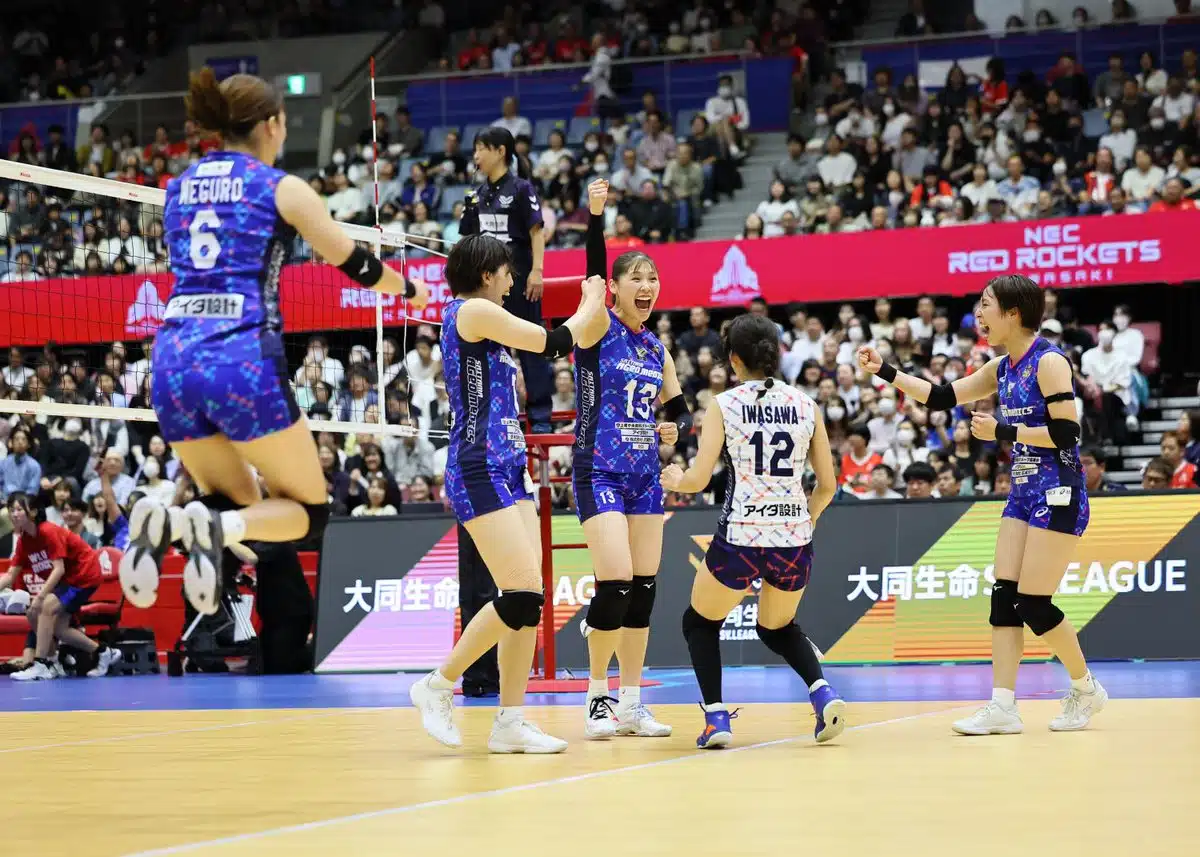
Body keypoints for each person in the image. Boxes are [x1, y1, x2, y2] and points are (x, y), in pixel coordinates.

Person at [118, 68, 428, 614]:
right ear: (271, 124)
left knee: (238, 504)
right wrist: (409, 290)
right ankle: (210, 527)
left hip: (170, 363)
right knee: (309, 514)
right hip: (239, 361)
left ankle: (171, 519)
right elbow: (355, 264)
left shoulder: (178, 188)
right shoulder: (280, 187)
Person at [858, 274, 1107, 735]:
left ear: (1013, 313)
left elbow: (1067, 433)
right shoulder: (1001, 367)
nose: (978, 313)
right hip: (1023, 491)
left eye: (986, 304)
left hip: (1059, 490)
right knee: (1004, 598)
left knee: (1034, 603)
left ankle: (1086, 687)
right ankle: (1003, 707)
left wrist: (1002, 432)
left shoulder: (1049, 362)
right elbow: (940, 397)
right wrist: (886, 371)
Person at [408, 234, 608, 754]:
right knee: (519, 592)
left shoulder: (487, 323)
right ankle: (438, 684)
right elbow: (555, 342)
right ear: (486, 273)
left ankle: (510, 721)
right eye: (506, 271)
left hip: (508, 465)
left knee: (529, 597)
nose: (512, 280)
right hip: (478, 466)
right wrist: (592, 298)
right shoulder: (472, 311)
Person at [661, 313, 846, 749]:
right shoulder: (807, 405)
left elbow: (699, 478)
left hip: (742, 536)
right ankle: (823, 694)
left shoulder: (724, 404)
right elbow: (828, 485)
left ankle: (716, 720)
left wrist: (675, 480)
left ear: (733, 359)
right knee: (777, 628)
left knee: (699, 623)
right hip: (792, 537)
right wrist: (806, 520)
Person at [573, 179, 690, 740]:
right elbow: (593, 274)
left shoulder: (656, 348)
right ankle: (597, 696)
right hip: (598, 468)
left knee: (643, 589)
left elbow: (681, 411)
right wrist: (596, 217)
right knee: (616, 582)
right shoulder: (598, 327)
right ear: (615, 289)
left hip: (645, 475)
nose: (646, 286)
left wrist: (674, 428)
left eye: (653, 278)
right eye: (635, 278)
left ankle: (632, 701)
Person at [459, 127, 552, 431]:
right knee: (491, 351)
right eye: (475, 149)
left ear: (500, 151)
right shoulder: (477, 195)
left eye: (481, 148)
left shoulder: (522, 189)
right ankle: (497, 416)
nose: (476, 155)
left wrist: (537, 272)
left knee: (531, 344)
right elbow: (468, 240)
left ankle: (541, 418)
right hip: (487, 288)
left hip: (521, 281)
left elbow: (537, 232)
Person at [0, 494, 124, 681]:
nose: (14, 514)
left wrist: (40, 597)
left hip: (84, 574)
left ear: (33, 512)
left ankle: (42, 664)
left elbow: (59, 569)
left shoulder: (48, 531)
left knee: (44, 606)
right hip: (67, 581)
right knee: (54, 626)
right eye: (11, 510)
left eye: (19, 509)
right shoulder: (24, 541)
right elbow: (10, 575)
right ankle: (103, 652)